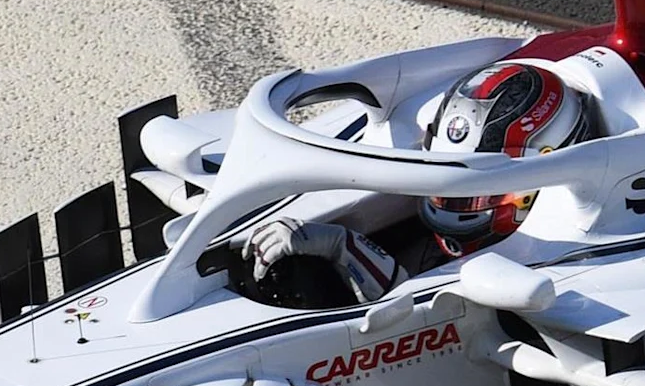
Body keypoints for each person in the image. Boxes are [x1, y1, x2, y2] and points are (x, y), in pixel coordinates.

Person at [238, 58, 601, 304]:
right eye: (442, 178)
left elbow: (417, 309)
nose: (450, 206)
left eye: (473, 195)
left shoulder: (568, 268)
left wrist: (342, 246)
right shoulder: (447, 230)